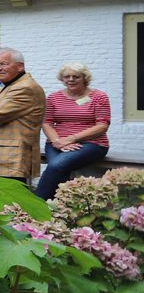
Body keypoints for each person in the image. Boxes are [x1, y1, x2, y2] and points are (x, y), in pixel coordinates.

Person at [35, 62, 111, 199]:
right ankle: (60, 205)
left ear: (84, 78)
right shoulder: (53, 98)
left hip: (91, 144)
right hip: (56, 142)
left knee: (56, 165)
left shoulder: (99, 97)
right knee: (59, 168)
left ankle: (37, 203)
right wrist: (58, 141)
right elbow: (46, 123)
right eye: (67, 77)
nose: (71, 80)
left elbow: (102, 126)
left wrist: (70, 139)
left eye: (76, 76)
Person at [0, 47, 45, 182]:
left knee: (9, 195)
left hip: (10, 159)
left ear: (20, 66)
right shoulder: (11, 85)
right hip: (3, 157)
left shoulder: (25, 88)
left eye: (3, 64)